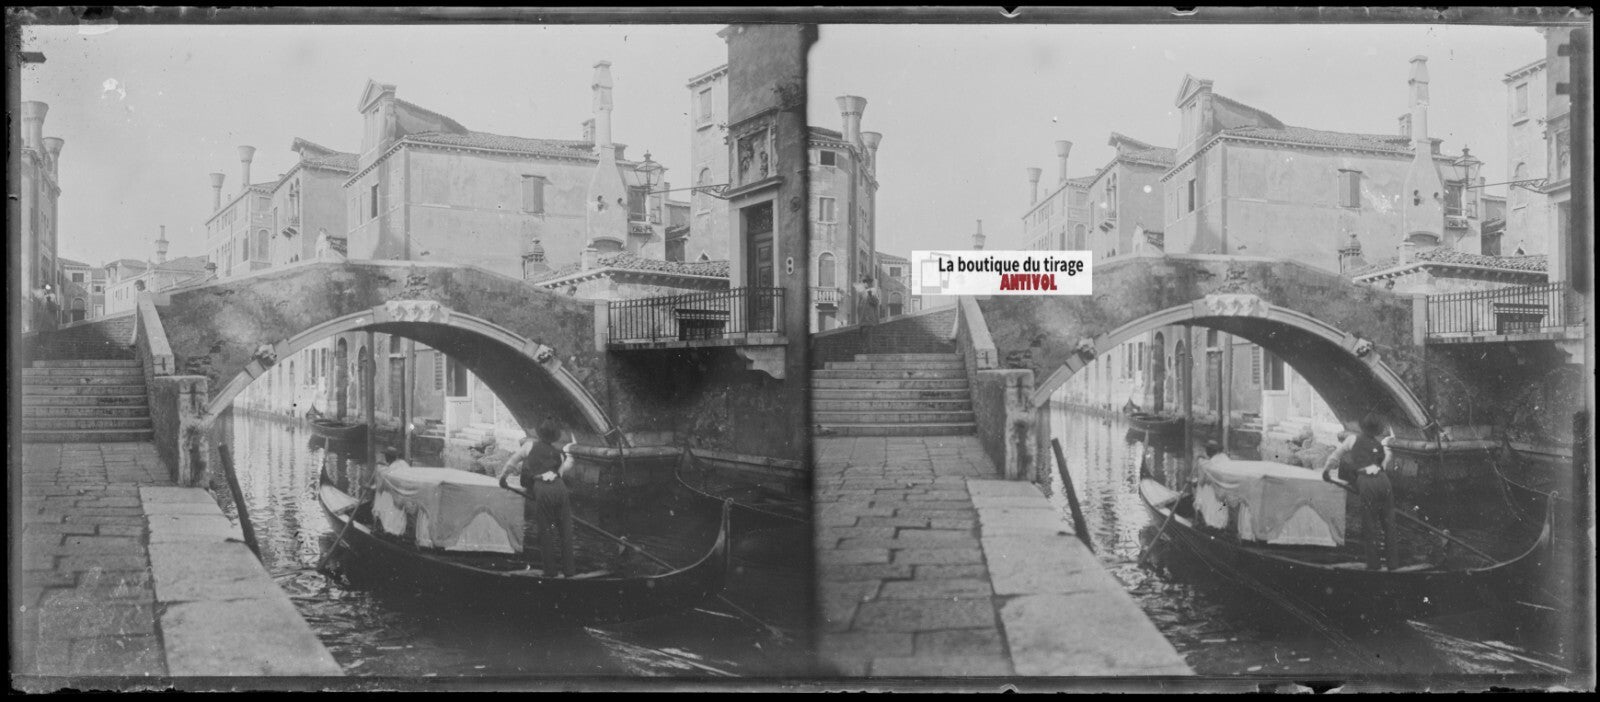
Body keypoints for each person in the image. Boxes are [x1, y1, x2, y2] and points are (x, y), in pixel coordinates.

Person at [499, 422, 578, 578]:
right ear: (554, 438)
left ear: (540, 434)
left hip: (543, 489)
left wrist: (503, 478)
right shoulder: (559, 454)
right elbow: (560, 474)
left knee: (546, 531)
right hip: (560, 489)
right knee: (565, 530)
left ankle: (550, 572)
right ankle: (569, 572)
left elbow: (512, 462)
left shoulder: (529, 446)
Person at [1322, 413, 1398, 570]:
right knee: (1389, 524)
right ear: (1377, 430)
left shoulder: (1352, 439)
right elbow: (1383, 465)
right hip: (1384, 482)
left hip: (1367, 481)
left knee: (1370, 524)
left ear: (1362, 427)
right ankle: (1393, 564)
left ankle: (1374, 565)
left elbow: (1336, 456)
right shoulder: (1378, 445)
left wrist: (1326, 471)